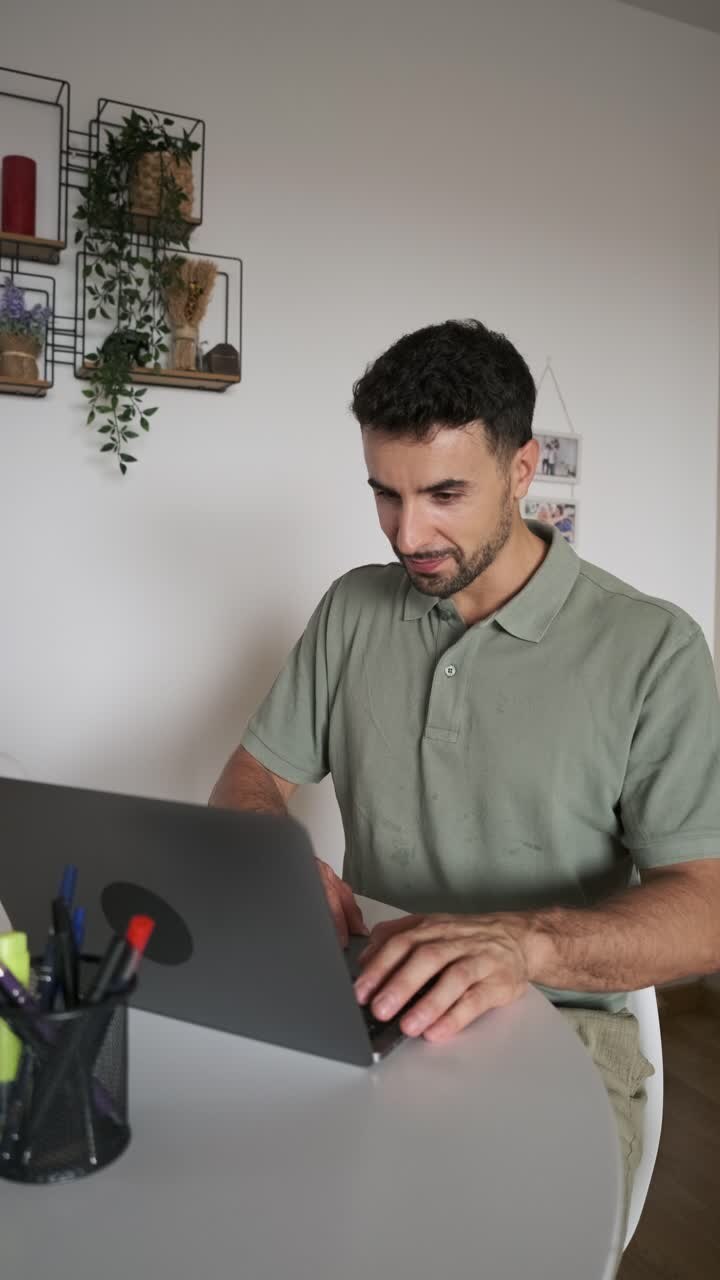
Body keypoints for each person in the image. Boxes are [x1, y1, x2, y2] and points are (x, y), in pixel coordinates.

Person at [210, 319, 720, 1266]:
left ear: (523, 468)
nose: (410, 533)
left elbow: (707, 909)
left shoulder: (654, 649)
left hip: (559, 1034)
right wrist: (273, 852)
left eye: (445, 493)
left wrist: (523, 944)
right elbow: (249, 778)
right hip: (360, 1000)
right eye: (385, 494)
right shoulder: (354, 609)